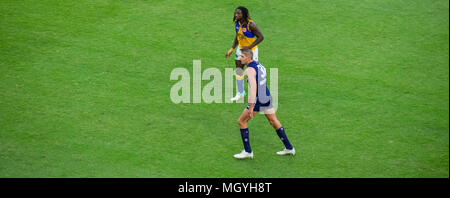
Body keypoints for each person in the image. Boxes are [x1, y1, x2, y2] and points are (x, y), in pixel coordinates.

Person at [233, 49, 295, 159]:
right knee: (273, 121)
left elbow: (253, 88)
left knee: (241, 121)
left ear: (248, 58)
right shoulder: (259, 65)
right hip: (266, 96)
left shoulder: (249, 70)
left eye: (242, 56)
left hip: (258, 99)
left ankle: (248, 151)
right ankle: (289, 148)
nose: (240, 58)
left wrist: (251, 107)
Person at [225, 6, 264, 102]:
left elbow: (261, 37)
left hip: (251, 51)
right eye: (236, 13)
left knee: (252, 71)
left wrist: (249, 47)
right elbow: (238, 36)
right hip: (241, 49)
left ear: (244, 14)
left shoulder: (251, 25)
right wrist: (232, 48)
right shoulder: (237, 23)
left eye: (239, 13)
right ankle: (240, 92)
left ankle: (257, 93)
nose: (236, 15)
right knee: (239, 69)